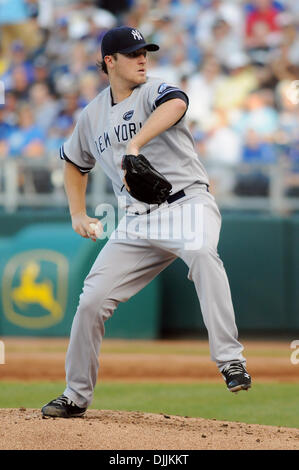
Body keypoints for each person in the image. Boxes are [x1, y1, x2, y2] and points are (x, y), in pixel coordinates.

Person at [41, 26, 251, 419]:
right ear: (110, 61)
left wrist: (135, 144)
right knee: (91, 302)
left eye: (145, 52)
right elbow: (74, 162)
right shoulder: (92, 115)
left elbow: (178, 103)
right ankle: (75, 394)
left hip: (187, 203)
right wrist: (77, 213)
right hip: (136, 222)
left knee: (203, 255)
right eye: (133, 53)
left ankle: (229, 360)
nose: (142, 59)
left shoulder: (153, 91)